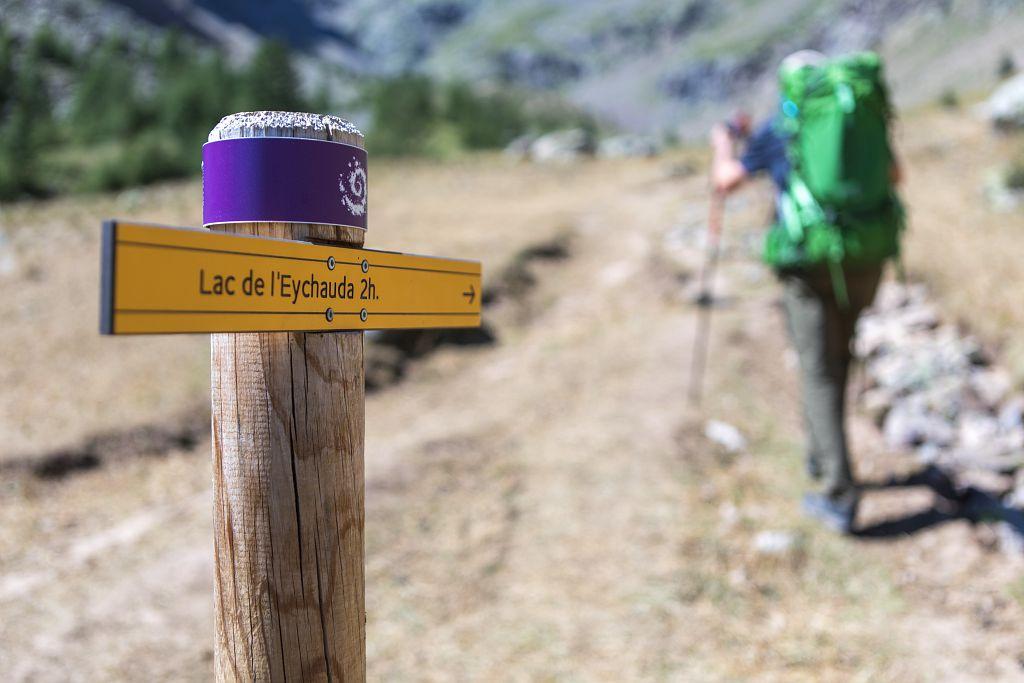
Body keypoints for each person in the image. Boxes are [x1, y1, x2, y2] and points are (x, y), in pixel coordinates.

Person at [708, 50, 904, 533]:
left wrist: (722, 146)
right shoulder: (857, 116)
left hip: (807, 265)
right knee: (840, 359)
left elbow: (727, 181)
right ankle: (822, 455)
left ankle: (838, 494)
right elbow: (896, 176)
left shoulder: (784, 126)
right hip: (865, 256)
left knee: (817, 370)